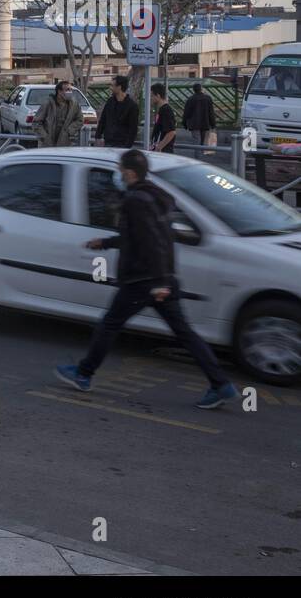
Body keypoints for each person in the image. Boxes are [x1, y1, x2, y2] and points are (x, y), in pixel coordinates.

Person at [55, 150, 237, 409]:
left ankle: (84, 374)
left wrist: (159, 282)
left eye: (120, 171)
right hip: (160, 277)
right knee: (184, 333)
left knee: (109, 324)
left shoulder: (136, 201)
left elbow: (151, 242)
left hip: (143, 280)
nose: (119, 175)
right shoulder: (156, 196)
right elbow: (145, 236)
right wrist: (106, 243)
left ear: (129, 172)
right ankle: (221, 384)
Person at [33, 79, 84, 148]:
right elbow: (36, 123)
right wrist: (45, 137)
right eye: (67, 90)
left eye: (70, 90)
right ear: (59, 91)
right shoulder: (47, 104)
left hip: (65, 143)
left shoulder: (74, 105)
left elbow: (80, 120)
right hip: (47, 144)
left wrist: (69, 131)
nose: (70, 92)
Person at [92, 74, 139, 148]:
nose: (110, 88)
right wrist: (98, 136)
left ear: (119, 87)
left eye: (113, 85)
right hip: (108, 143)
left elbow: (133, 129)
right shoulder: (110, 102)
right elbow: (103, 120)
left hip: (122, 145)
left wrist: (127, 146)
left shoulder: (132, 106)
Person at [181, 82, 217, 147]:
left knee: (196, 141)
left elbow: (186, 113)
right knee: (203, 141)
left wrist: (184, 123)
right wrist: (213, 124)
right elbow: (211, 112)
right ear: (201, 89)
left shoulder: (190, 99)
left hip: (194, 124)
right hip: (205, 123)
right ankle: (201, 154)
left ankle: (197, 156)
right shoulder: (208, 98)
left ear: (193, 90)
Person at [149, 82, 177, 153]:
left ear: (158, 96)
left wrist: (159, 147)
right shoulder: (162, 109)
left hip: (164, 152)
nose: (150, 98)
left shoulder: (166, 110)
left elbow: (171, 132)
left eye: (151, 96)